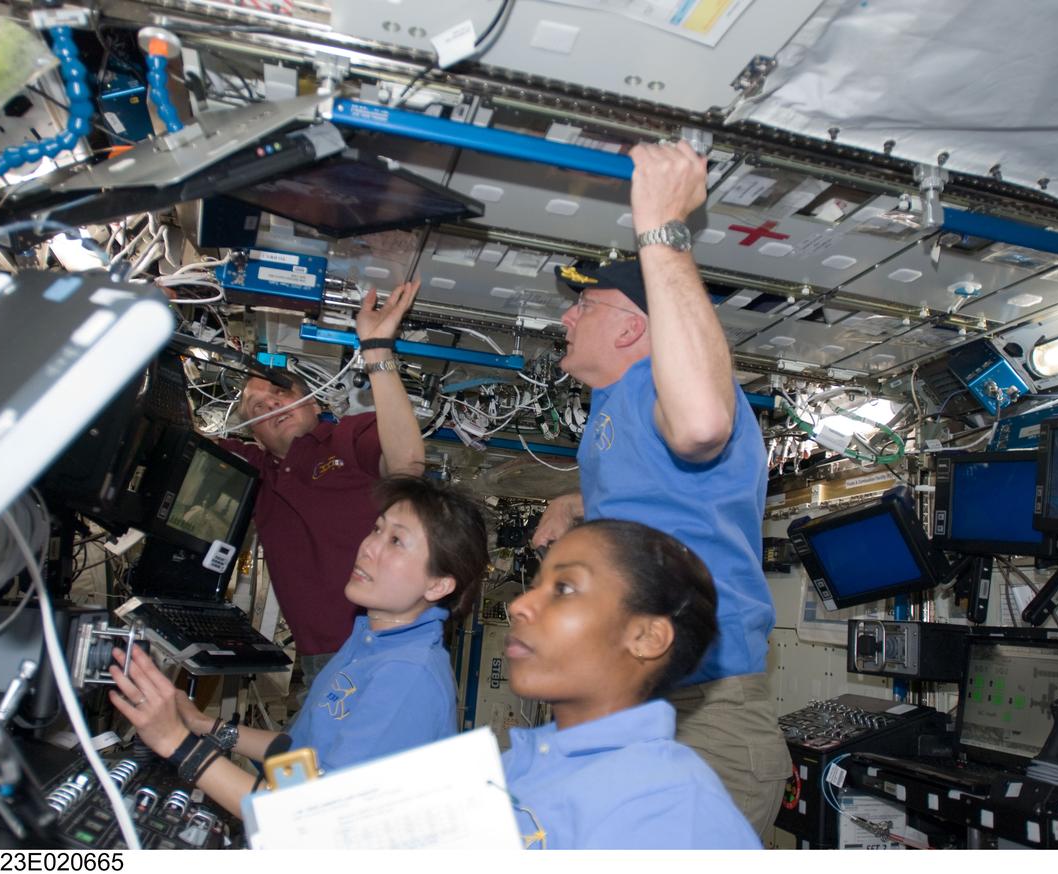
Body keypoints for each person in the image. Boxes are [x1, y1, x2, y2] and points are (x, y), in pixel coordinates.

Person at [531, 140, 791, 837]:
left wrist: (663, 232)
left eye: (585, 305)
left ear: (634, 329)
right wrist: (579, 505)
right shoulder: (615, 408)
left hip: (707, 709)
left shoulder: (664, 387)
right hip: (643, 700)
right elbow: (672, 498)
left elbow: (702, 425)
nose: (568, 317)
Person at [107, 475, 489, 818]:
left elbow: (316, 825)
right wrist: (205, 726)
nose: (368, 547)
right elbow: (301, 752)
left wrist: (178, 744)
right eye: (376, 529)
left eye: (395, 541)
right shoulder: (373, 641)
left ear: (437, 585)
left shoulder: (407, 675)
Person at [218, 280, 426, 695]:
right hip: (320, 661)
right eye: (256, 408)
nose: (270, 405)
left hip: (383, 645)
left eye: (280, 393)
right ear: (252, 434)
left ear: (313, 402)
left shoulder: (347, 438)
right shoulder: (255, 473)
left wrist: (377, 352)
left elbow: (407, 465)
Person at [502, 519, 761, 849]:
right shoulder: (519, 764)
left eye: (564, 588)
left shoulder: (670, 814)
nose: (520, 605)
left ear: (646, 637)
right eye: (536, 586)